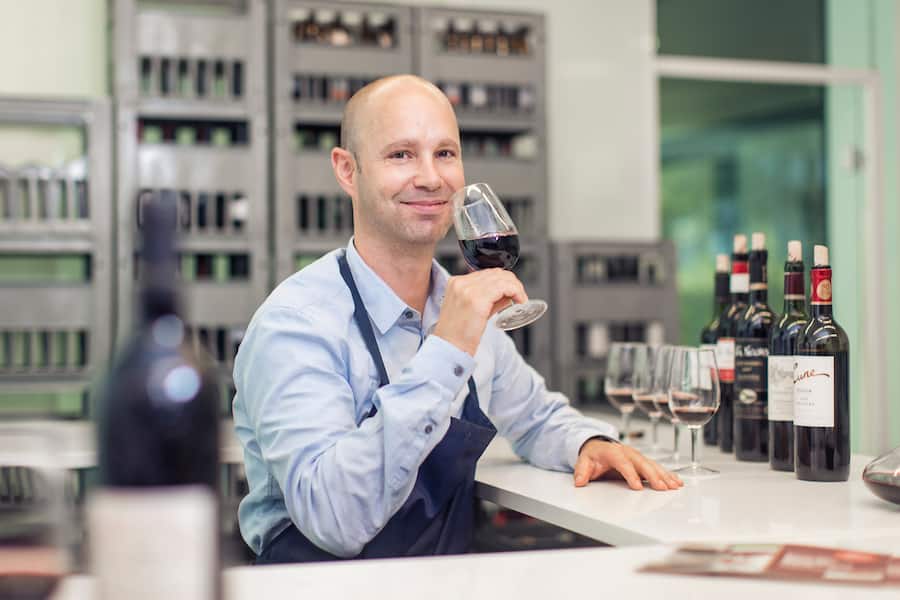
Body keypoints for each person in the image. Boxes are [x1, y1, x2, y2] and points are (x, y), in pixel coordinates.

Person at [232, 74, 682, 564]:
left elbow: (534, 416)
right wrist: (447, 347)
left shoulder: (460, 306)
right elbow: (335, 521)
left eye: (445, 153)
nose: (431, 177)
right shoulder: (295, 325)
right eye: (401, 154)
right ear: (347, 170)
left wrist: (588, 442)